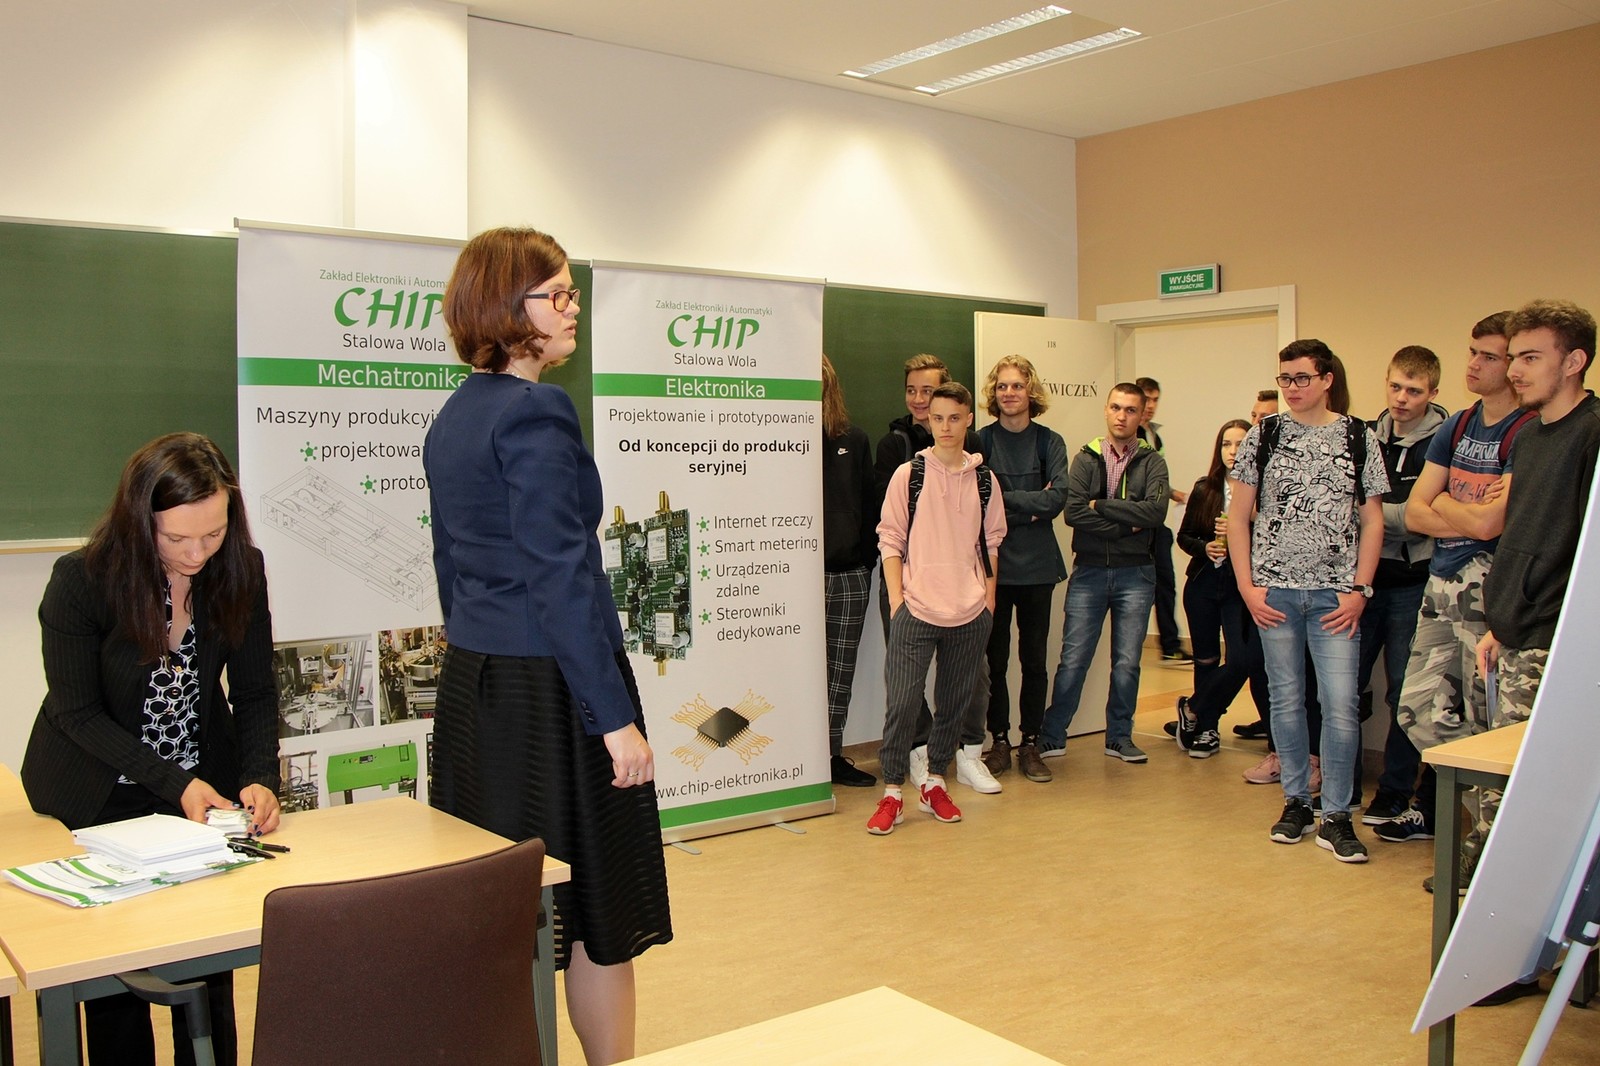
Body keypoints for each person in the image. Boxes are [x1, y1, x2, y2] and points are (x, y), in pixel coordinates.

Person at [422, 226, 671, 1065]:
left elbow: (450, 562)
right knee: (601, 912)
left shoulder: (454, 415)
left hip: (477, 692)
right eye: (557, 294)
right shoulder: (536, 409)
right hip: (553, 696)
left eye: (572, 291)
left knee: (507, 920)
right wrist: (613, 719)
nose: (573, 308)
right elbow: (562, 576)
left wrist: (476, 642)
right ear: (507, 307)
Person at [22, 432, 281, 1066]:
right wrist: (174, 784)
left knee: (208, 964)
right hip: (98, 789)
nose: (196, 553)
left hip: (200, 786)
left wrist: (258, 776)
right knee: (118, 981)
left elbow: (254, 691)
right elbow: (77, 712)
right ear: (141, 521)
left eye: (212, 534)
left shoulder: (241, 567)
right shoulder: (82, 580)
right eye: (176, 538)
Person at [1228, 340, 1388, 863]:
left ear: (1326, 379)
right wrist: (1248, 586)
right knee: (1285, 699)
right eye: (1285, 379)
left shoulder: (1359, 436)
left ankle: (1336, 814)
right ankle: (1296, 800)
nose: (1292, 388)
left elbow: (1372, 520)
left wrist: (1360, 589)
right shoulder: (1265, 435)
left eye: (1301, 378)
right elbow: (1238, 516)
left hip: (1335, 598)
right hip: (1274, 593)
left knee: (1340, 703)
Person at [1385, 312, 1532, 850]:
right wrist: (1461, 508)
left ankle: (1493, 844)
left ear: (1512, 366)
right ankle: (1482, 819)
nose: (1474, 364)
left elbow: (1493, 525)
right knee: (1416, 710)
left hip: (1490, 586)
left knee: (1490, 718)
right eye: (1472, 352)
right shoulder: (1461, 423)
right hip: (1441, 580)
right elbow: (1414, 511)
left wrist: (1445, 503)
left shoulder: (1527, 429)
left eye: (1489, 356)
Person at [869, 381, 1006, 834]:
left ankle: (935, 783)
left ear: (969, 420)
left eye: (954, 418)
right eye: (937, 418)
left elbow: (990, 544)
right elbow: (890, 539)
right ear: (928, 420)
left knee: (954, 705)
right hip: (916, 609)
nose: (945, 426)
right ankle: (893, 792)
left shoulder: (985, 480)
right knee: (903, 703)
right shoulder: (909, 475)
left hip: (969, 613)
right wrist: (897, 601)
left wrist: (987, 600)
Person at [1038, 383, 1170, 765]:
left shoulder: (1153, 462)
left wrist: (1102, 506)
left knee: (1127, 662)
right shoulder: (1085, 458)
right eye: (1115, 407)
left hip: (1136, 574)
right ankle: (1052, 736)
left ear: (1141, 415)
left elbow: (1155, 513)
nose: (1121, 416)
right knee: (1073, 659)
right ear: (1106, 410)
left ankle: (1119, 738)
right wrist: (1126, 524)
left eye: (1130, 410)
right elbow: (1073, 513)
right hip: (1090, 571)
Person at [1354, 346, 1446, 825]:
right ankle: (1344, 784)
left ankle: (1393, 792)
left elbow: (1419, 518)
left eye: (1413, 390)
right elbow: (1352, 505)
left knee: (1404, 694)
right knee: (1345, 686)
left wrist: (1374, 515)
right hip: (1363, 581)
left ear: (1432, 392)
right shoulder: (1366, 436)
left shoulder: (1444, 441)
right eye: (1395, 387)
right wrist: (1394, 514)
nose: (1401, 398)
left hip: (1413, 582)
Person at [977, 355, 1068, 784]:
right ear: (993, 393)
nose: (1009, 393)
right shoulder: (980, 440)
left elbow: (1057, 500)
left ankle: (1030, 742)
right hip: (992, 569)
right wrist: (1030, 506)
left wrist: (1004, 500)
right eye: (1002, 386)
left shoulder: (1050, 442)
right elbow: (977, 501)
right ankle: (998, 741)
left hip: (1038, 569)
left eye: (1016, 385)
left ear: (1031, 390)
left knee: (1034, 661)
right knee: (994, 661)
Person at [1167, 419, 1271, 757]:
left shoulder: (1262, 491)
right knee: (1206, 659)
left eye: (1240, 444)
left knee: (1243, 659)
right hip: (1203, 584)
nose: (1233, 451)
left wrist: (1249, 523)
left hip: (1241, 587)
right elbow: (1184, 536)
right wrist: (1205, 547)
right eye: (1227, 444)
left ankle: (1193, 709)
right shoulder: (1206, 488)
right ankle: (1207, 729)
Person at [821, 354, 878, 787]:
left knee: (839, 675)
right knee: (792, 673)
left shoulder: (854, 440)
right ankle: (795, 761)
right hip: (789, 577)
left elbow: (870, 504)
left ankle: (831, 755)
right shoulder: (773, 437)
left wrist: (865, 560)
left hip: (847, 575)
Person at [1135, 376, 1189, 664]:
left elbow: (1157, 480)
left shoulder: (1155, 436)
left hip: (1157, 525)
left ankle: (1170, 644)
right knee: (1144, 587)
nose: (1151, 405)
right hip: (1138, 526)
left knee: (1166, 583)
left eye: (1155, 399)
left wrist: (1173, 494)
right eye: (1146, 399)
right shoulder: (1131, 436)